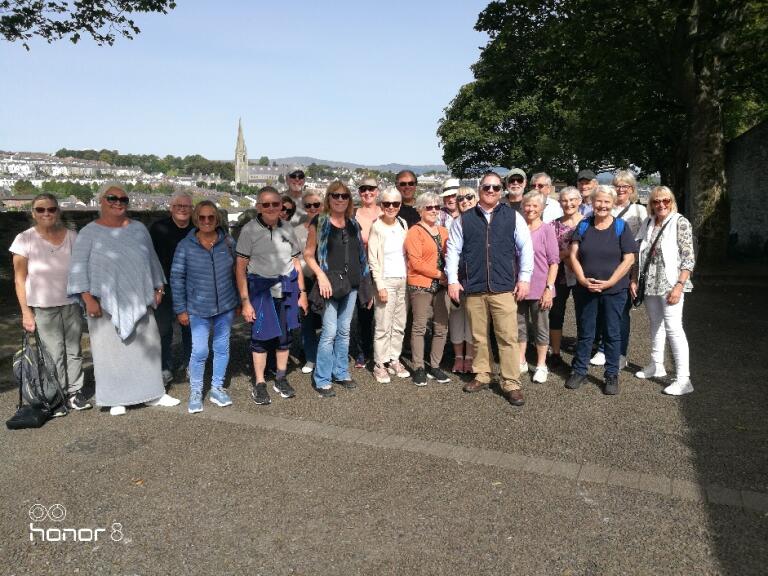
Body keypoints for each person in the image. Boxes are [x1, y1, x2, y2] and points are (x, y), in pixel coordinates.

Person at [67, 182, 180, 415]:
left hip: (140, 298)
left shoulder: (138, 229)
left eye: (123, 199)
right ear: (101, 201)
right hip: (103, 304)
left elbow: (152, 261)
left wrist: (159, 289)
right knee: (111, 353)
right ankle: (115, 398)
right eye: (112, 198)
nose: (118, 203)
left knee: (148, 348)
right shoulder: (89, 233)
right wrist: (88, 299)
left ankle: (153, 394)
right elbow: (78, 269)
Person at [446, 171, 533, 406]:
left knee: (507, 336)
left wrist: (524, 278)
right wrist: (452, 280)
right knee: (478, 336)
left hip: (503, 286)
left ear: (501, 190)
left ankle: (511, 382)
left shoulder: (513, 217)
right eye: (487, 187)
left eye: (495, 187)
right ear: (480, 189)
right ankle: (483, 374)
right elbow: (453, 251)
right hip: (474, 286)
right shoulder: (464, 219)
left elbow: (526, 248)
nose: (491, 191)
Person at [10, 193, 90, 411]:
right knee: (54, 353)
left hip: (72, 302)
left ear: (58, 211)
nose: (46, 213)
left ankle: (75, 392)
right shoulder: (24, 239)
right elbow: (19, 279)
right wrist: (26, 312)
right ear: (33, 213)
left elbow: (82, 270)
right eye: (40, 209)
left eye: (51, 209)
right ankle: (57, 396)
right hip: (43, 307)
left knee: (74, 350)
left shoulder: (72, 237)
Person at [236, 186, 308, 405]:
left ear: (281, 206)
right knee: (260, 338)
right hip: (261, 290)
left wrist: (302, 293)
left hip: (286, 289)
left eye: (275, 204)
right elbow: (240, 268)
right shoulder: (249, 230)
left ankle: (280, 378)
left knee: (284, 337)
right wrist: (245, 302)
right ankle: (259, 383)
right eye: (265, 204)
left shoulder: (288, 228)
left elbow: (296, 262)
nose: (271, 208)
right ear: (258, 206)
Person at [565, 185, 637, 395]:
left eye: (607, 201)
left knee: (612, 333)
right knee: (586, 332)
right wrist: (581, 279)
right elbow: (573, 255)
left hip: (614, 291)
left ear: (613, 203)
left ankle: (611, 374)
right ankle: (579, 370)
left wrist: (610, 282)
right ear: (592, 202)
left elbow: (629, 259)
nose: (602, 205)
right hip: (586, 289)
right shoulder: (584, 225)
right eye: (599, 201)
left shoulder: (621, 227)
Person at [304, 181, 373, 397]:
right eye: (336, 195)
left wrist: (366, 288)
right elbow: (308, 254)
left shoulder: (353, 223)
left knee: (344, 331)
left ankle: (341, 372)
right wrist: (321, 276)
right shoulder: (319, 222)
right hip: (329, 286)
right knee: (329, 332)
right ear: (329, 198)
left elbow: (361, 258)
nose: (340, 199)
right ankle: (322, 378)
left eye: (344, 196)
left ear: (349, 199)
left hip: (351, 285)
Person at [170, 201, 239, 413]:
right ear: (196, 219)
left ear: (217, 219)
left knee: (222, 348)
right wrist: (181, 309)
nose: (207, 221)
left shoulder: (228, 242)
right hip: (197, 308)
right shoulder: (185, 245)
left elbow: (238, 273)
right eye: (202, 217)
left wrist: (239, 300)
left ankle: (217, 387)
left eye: (211, 217)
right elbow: (177, 278)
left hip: (225, 305)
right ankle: (196, 390)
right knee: (199, 350)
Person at [631, 186, 695, 395]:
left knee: (674, 328)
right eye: (656, 201)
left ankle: (684, 379)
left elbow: (688, 258)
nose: (661, 205)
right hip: (650, 282)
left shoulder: (680, 222)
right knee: (655, 324)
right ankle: (656, 364)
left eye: (665, 200)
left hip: (670, 282)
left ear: (671, 202)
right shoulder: (648, 222)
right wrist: (634, 279)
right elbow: (638, 253)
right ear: (650, 204)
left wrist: (679, 285)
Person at [590, 170, 648, 368]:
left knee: (621, 313)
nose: (621, 189)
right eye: (617, 186)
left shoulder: (639, 211)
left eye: (625, 186)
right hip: (604, 267)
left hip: (626, 268)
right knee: (602, 310)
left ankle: (620, 353)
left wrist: (635, 276)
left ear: (632, 189)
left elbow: (642, 245)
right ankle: (603, 348)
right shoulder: (606, 207)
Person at [405, 193, 451, 386]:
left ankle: (435, 365)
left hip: (442, 286)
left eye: (437, 207)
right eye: (429, 207)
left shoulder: (444, 231)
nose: (434, 210)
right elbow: (416, 263)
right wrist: (440, 275)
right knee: (419, 326)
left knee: (441, 327)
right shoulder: (414, 232)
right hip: (421, 284)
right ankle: (418, 367)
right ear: (420, 210)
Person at [149, 191, 193, 386]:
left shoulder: (196, 229)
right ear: (171, 208)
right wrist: (155, 287)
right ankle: (164, 369)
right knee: (163, 330)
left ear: (192, 209)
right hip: (163, 287)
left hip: (190, 287)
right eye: (178, 206)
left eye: (186, 206)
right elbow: (150, 259)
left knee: (190, 329)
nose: (182, 209)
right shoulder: (158, 228)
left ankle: (191, 364)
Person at [367, 187, 409, 383]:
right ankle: (379, 363)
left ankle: (394, 358)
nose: (391, 207)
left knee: (399, 324)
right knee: (383, 324)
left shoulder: (403, 223)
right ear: (381, 205)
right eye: (387, 203)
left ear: (400, 205)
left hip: (403, 280)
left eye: (395, 203)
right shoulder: (376, 227)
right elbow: (373, 259)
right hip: (386, 280)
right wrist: (380, 285)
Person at [517, 192, 560, 383]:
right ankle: (521, 360)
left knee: (541, 327)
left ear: (542, 208)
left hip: (541, 287)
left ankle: (542, 364)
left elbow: (554, 262)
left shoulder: (547, 230)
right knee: (519, 326)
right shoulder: (517, 228)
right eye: (527, 205)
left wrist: (549, 288)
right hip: (519, 287)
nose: (531, 209)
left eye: (535, 206)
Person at [549, 186, 583, 367]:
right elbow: (550, 252)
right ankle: (555, 352)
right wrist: (565, 254)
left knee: (583, 314)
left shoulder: (587, 223)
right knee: (556, 314)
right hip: (558, 276)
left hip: (582, 276)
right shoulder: (553, 225)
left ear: (579, 201)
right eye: (564, 200)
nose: (568, 204)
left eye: (572, 200)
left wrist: (564, 254)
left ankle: (582, 353)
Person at [350, 177, 382, 368]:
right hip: (361, 269)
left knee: (383, 312)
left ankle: (383, 351)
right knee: (364, 312)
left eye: (371, 189)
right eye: (363, 189)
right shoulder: (353, 214)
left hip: (383, 268)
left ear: (377, 191)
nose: (367, 192)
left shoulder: (386, 212)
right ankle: (363, 350)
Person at [293, 190, 324, 374]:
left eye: (316, 204)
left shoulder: (329, 225)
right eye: (308, 205)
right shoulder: (297, 231)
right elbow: (295, 259)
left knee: (328, 323)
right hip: (306, 280)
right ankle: (311, 357)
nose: (313, 208)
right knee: (307, 321)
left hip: (326, 281)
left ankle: (325, 357)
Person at [448, 186, 477, 373]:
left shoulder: (484, 221)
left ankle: (470, 356)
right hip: (458, 278)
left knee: (474, 319)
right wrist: (453, 279)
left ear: (476, 199)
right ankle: (459, 357)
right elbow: (451, 252)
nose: (465, 201)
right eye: (460, 198)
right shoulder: (455, 223)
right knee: (457, 318)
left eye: (469, 197)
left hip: (477, 279)